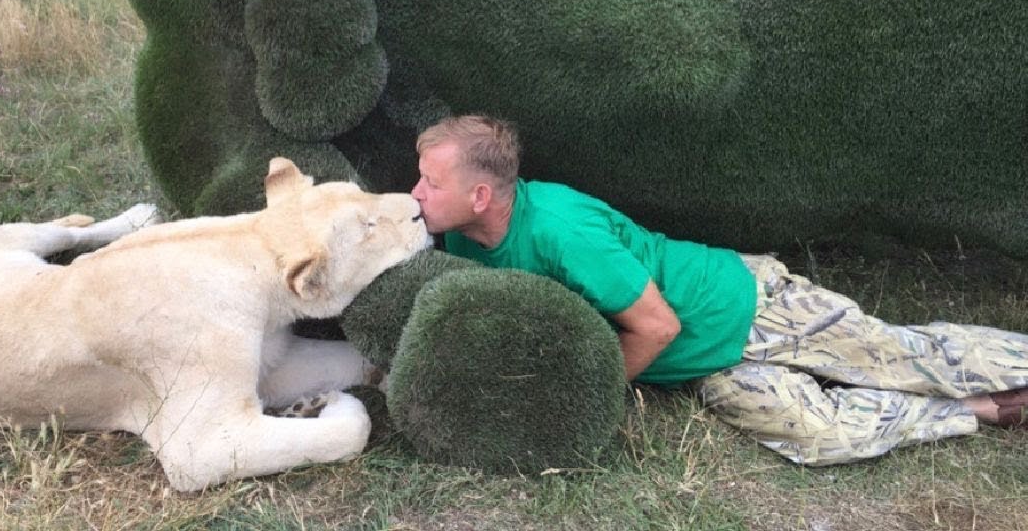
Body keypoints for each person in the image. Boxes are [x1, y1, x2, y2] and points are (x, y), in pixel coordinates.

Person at [410, 114, 1028, 465]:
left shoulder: (562, 232)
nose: (415, 194)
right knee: (819, 439)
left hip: (746, 303)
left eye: (429, 182)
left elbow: (658, 327)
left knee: (905, 359)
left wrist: (581, 398)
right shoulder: (463, 239)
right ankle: (974, 413)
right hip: (706, 365)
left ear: (480, 195)